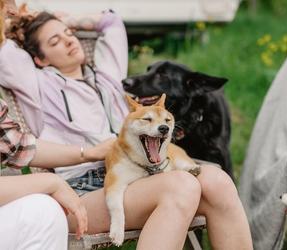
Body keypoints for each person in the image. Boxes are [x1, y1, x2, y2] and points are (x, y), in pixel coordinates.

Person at [0, 1, 253, 249]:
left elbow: (112, 22)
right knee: (181, 186)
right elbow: (6, 53)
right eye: (54, 41)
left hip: (142, 170)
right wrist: (15, 20)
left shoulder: (108, 75)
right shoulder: (36, 85)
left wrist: (65, 19)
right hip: (86, 187)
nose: (68, 40)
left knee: (218, 182)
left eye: (69, 34)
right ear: (39, 59)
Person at [0, 98, 117, 249]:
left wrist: (90, 153)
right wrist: (50, 182)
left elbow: (17, 146)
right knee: (42, 211)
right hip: (82, 185)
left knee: (43, 210)